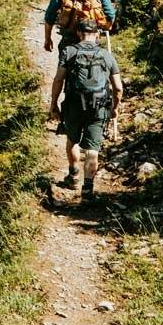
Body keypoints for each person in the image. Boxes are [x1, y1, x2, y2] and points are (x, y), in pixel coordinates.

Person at [47, 19, 124, 201]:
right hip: (99, 107)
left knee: (72, 139)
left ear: (79, 34)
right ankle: (88, 189)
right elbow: (118, 88)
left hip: (74, 104)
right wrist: (114, 108)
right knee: (92, 149)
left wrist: (54, 104)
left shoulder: (69, 51)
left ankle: (73, 175)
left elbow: (58, 80)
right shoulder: (106, 55)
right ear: (97, 34)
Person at [43, 0, 116, 61]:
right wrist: (106, 26)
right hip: (92, 37)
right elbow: (110, 14)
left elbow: (49, 17)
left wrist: (47, 39)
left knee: (65, 66)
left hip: (69, 37)